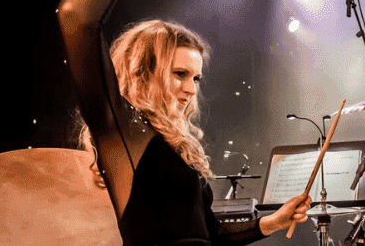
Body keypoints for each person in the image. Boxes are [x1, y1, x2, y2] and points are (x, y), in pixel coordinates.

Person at [77, 20, 311, 245]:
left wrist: (271, 222)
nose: (191, 89)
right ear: (143, 71)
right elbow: (76, 20)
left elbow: (212, 234)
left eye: (196, 78)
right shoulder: (124, 131)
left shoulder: (174, 147)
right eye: (180, 74)